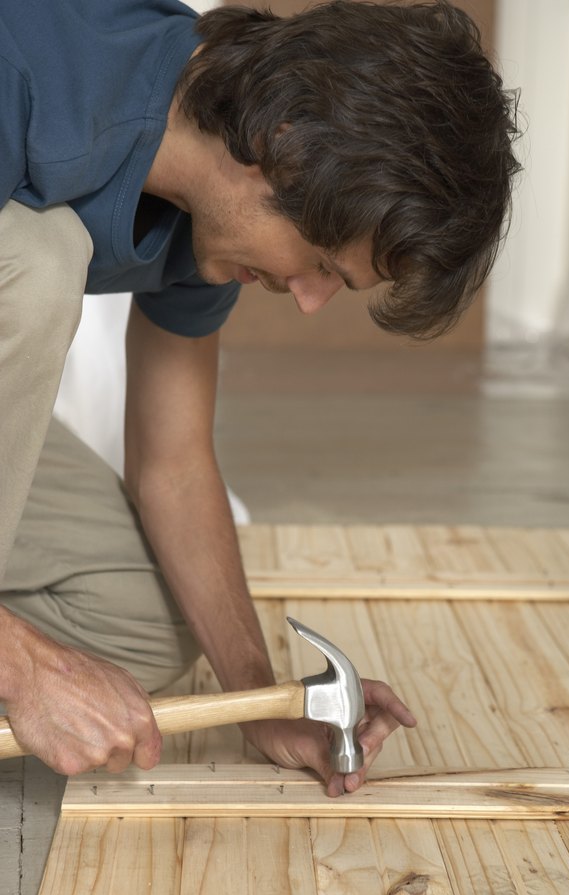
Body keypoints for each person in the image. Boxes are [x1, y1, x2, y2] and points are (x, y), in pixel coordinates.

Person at [0, 0, 520, 796]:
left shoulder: (200, 217)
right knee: (37, 265)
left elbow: (173, 463)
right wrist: (25, 668)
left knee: (142, 621)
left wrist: (260, 699)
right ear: (282, 146)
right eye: (319, 263)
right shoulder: (25, 71)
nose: (308, 298)